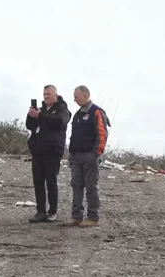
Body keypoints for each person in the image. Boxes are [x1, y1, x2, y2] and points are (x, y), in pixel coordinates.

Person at [63, 85, 110, 228]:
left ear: (85, 94)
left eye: (76, 96)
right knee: (76, 185)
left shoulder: (96, 112)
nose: (74, 99)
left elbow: (102, 134)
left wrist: (95, 154)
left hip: (90, 156)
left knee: (91, 187)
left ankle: (93, 217)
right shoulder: (77, 114)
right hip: (76, 156)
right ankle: (76, 216)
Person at [25, 85, 72, 223]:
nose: (46, 97)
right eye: (44, 94)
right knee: (38, 181)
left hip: (53, 151)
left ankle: (53, 211)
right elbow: (29, 125)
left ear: (55, 95)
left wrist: (40, 115)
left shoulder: (63, 110)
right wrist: (31, 114)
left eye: (48, 94)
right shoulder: (41, 109)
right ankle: (40, 211)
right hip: (38, 151)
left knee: (51, 181)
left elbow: (59, 122)